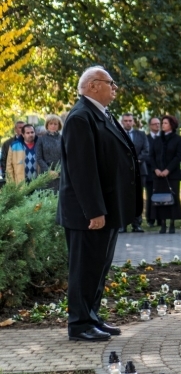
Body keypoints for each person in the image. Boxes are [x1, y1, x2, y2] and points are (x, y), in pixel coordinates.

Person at [57, 66, 138, 342]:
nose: (114, 88)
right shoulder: (81, 117)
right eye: (110, 83)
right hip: (88, 214)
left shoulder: (100, 114)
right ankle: (79, 324)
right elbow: (82, 170)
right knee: (84, 268)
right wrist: (94, 210)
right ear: (93, 85)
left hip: (107, 208)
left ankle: (91, 316)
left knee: (98, 267)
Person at [151, 115, 181, 234]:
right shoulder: (157, 140)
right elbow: (151, 156)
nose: (162, 125)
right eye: (162, 123)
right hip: (158, 175)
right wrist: (156, 169)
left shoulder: (178, 140)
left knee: (172, 199)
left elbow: (178, 156)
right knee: (160, 199)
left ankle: (172, 224)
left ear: (171, 125)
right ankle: (163, 224)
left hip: (172, 175)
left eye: (165, 123)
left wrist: (168, 170)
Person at [119, 113, 149, 233]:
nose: (127, 123)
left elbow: (146, 151)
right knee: (123, 198)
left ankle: (137, 224)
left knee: (137, 198)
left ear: (133, 122)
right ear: (122, 122)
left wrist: (135, 161)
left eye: (130, 120)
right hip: (123, 172)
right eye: (125, 120)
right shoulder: (118, 134)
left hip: (139, 170)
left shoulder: (141, 135)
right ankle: (123, 224)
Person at [34, 114, 62, 189]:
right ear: (47, 125)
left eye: (55, 124)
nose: (53, 126)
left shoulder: (63, 139)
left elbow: (66, 157)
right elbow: (39, 157)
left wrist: (58, 171)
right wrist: (48, 171)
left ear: (59, 126)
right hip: (45, 173)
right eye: (51, 124)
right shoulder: (41, 139)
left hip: (60, 174)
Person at [144, 117, 161, 227]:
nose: (157, 126)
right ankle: (150, 219)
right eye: (154, 124)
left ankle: (161, 219)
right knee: (150, 196)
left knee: (161, 196)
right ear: (150, 125)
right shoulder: (146, 138)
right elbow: (147, 154)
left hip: (162, 173)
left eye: (158, 124)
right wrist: (155, 168)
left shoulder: (163, 138)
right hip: (150, 173)